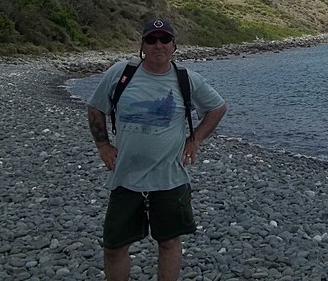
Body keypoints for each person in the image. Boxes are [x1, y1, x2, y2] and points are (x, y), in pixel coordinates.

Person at [87, 18, 227, 281]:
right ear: (142, 45)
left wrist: (195, 139)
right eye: (151, 39)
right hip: (125, 177)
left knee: (169, 242)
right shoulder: (120, 73)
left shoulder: (187, 80)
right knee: (114, 246)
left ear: (174, 45)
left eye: (164, 39)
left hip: (170, 179)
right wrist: (103, 144)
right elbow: (96, 108)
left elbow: (217, 108)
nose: (158, 45)